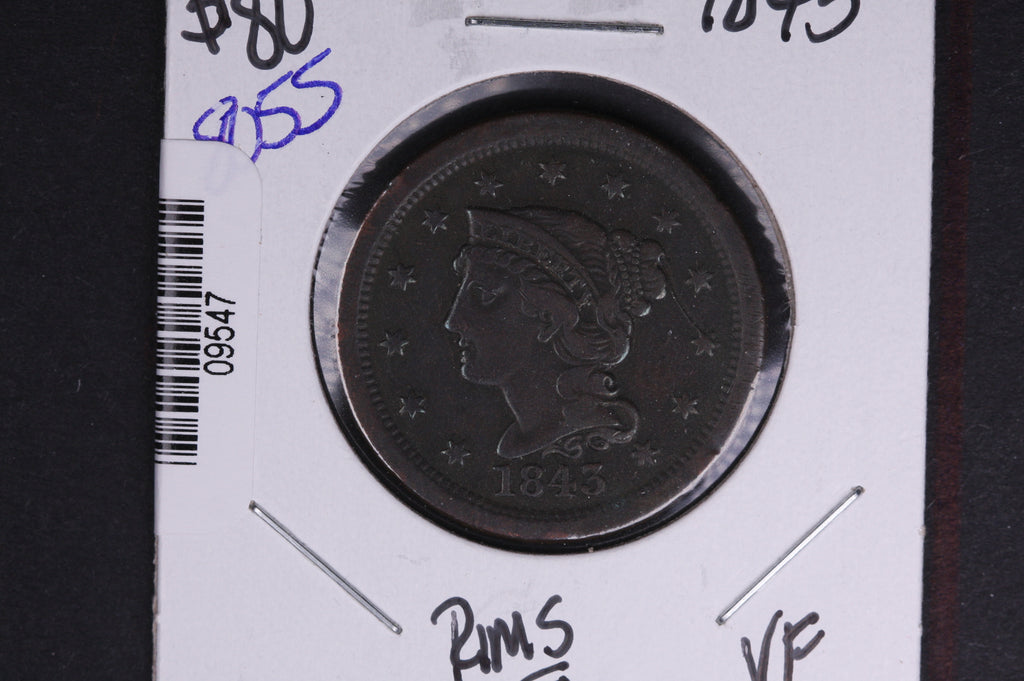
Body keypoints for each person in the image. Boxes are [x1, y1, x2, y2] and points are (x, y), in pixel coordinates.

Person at [444, 207, 667, 459]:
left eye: (485, 295)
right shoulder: (518, 440)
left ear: (550, 318)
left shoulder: (593, 434)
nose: (453, 321)